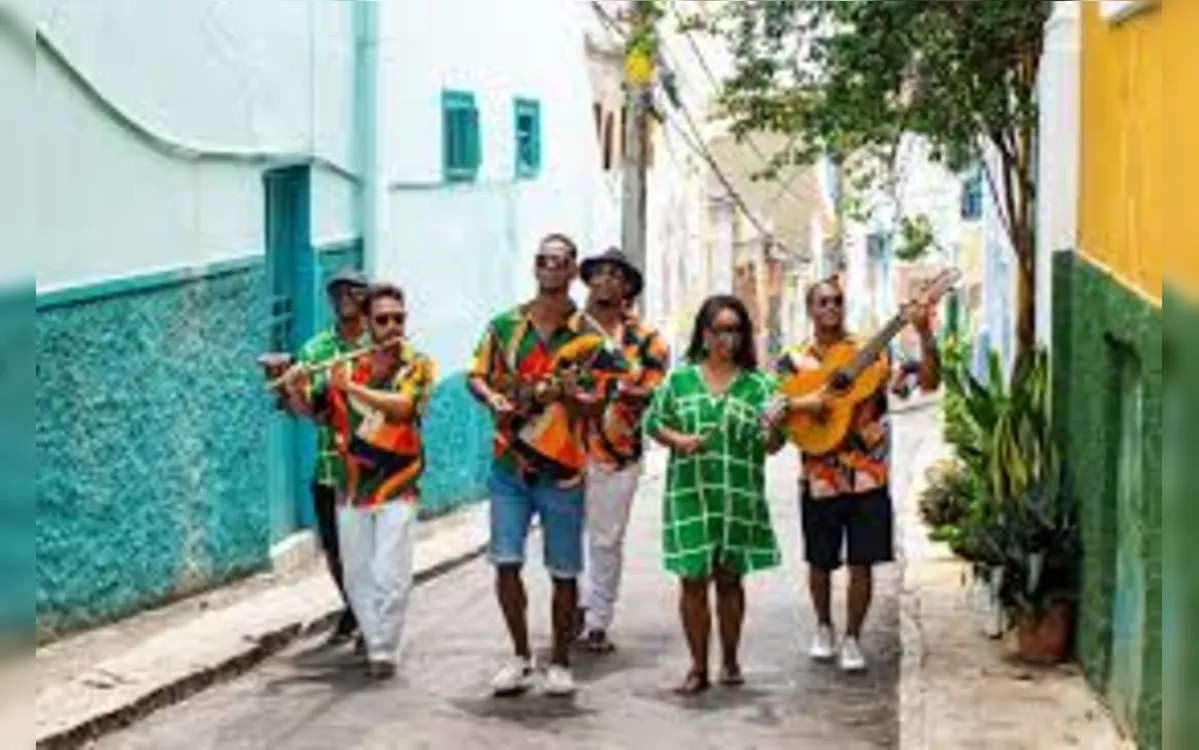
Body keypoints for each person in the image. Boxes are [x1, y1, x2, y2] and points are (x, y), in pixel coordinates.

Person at [776, 276, 940, 672]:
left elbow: (928, 383)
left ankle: (852, 637)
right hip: (819, 475)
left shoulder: (873, 355)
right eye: (822, 302)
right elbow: (778, 408)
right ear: (809, 309)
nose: (831, 308)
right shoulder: (793, 360)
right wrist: (807, 403)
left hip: (869, 475)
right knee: (819, 561)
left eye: (837, 301)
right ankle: (823, 627)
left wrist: (923, 333)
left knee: (861, 562)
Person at [467, 233, 601, 697]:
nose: (549, 268)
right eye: (542, 260)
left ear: (571, 269)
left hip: (563, 468)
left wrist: (573, 395)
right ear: (535, 267)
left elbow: (599, 404)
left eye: (558, 261)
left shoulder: (589, 336)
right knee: (506, 562)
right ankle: (521, 657)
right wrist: (494, 398)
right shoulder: (505, 327)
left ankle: (560, 661)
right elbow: (475, 377)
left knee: (564, 571)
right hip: (509, 464)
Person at [645, 295, 788, 696]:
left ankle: (729, 660)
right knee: (692, 579)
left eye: (736, 329)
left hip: (737, 495)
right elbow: (652, 423)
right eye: (720, 329)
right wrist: (679, 440)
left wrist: (775, 426)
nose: (728, 337)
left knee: (729, 580)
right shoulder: (679, 380)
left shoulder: (760, 386)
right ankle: (697, 667)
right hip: (689, 494)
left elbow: (773, 445)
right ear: (704, 334)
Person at [293, 283, 435, 679]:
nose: (392, 326)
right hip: (351, 487)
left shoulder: (417, 364)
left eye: (398, 318)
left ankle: (385, 649)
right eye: (383, 320)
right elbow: (316, 413)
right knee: (358, 574)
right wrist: (292, 385)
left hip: (398, 484)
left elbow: (404, 408)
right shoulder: (346, 365)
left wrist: (352, 389)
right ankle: (374, 640)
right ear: (368, 325)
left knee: (391, 570)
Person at [266, 268, 369, 647]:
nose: (343, 297)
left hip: (374, 469)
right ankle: (356, 608)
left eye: (352, 290)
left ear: (365, 295)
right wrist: (290, 390)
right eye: (336, 291)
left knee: (369, 551)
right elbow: (307, 412)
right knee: (336, 552)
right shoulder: (315, 351)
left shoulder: (378, 346)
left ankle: (370, 619)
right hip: (330, 466)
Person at [575, 248, 669, 654]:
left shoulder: (648, 341)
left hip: (617, 452)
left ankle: (598, 619)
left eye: (616, 274)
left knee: (606, 538)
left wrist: (610, 386)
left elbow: (648, 392)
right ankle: (575, 608)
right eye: (598, 273)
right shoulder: (566, 331)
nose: (605, 280)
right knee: (567, 536)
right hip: (564, 449)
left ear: (628, 288)